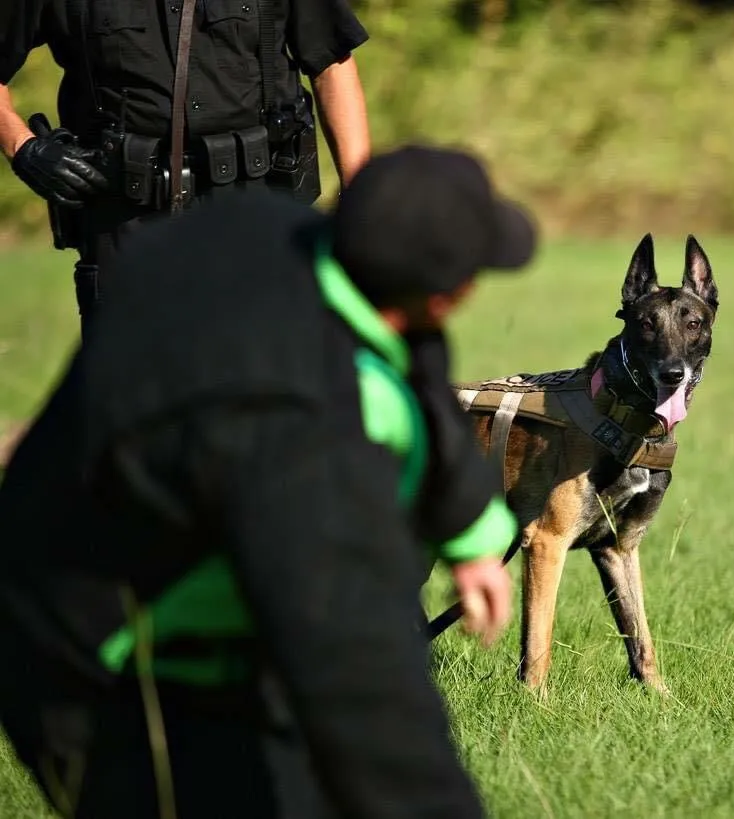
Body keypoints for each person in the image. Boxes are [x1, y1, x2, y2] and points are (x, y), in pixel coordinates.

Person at [0, 144, 537, 818]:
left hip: (175, 554)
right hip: (89, 658)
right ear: (446, 294)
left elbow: (414, 355)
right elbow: (359, 678)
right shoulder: (300, 433)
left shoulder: (278, 229)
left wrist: (468, 530)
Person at [0, 0, 372, 337]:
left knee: (269, 385)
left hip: (262, 214)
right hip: (126, 221)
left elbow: (332, 64)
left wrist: (361, 203)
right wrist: (23, 147)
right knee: (133, 396)